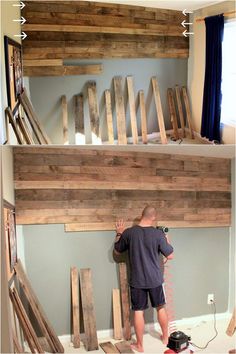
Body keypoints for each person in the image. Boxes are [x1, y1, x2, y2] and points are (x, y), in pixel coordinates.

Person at [114, 205, 174, 353]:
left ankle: (140, 346)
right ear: (153, 217)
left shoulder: (129, 233)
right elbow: (170, 255)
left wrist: (119, 233)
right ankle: (165, 338)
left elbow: (117, 250)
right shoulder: (158, 234)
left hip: (137, 280)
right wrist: (166, 240)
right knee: (160, 307)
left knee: (138, 311)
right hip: (155, 279)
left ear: (142, 214)